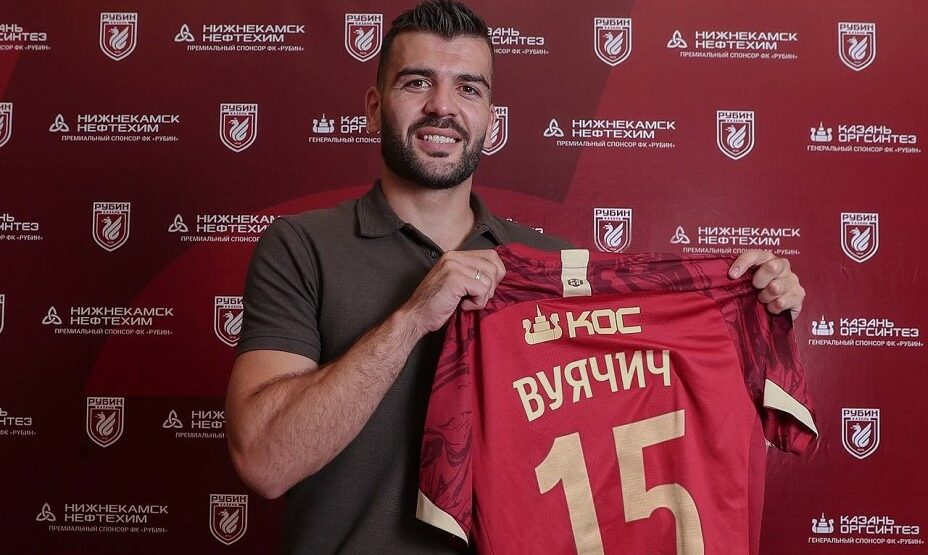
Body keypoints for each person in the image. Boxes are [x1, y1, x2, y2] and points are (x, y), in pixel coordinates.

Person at [224, 2, 806, 553]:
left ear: (490, 119)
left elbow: (664, 407)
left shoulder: (552, 268)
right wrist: (411, 319)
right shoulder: (301, 247)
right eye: (417, 82)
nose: (442, 106)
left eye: (468, 88)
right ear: (375, 107)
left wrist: (752, 314)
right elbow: (264, 462)